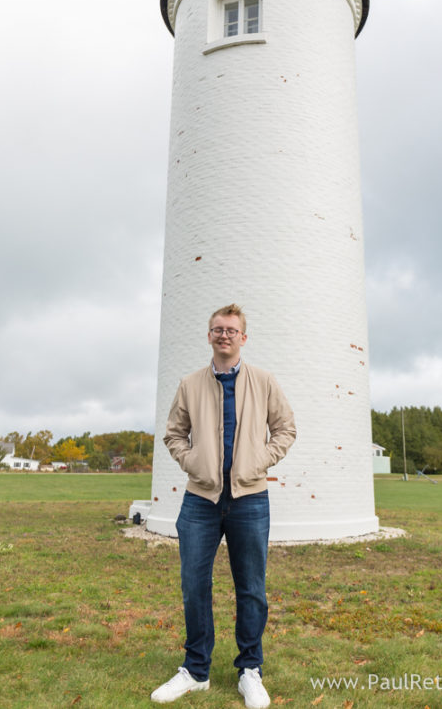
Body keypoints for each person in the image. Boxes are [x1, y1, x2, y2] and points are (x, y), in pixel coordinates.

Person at [151, 304, 296, 709]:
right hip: (200, 499)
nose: (224, 335)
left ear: (243, 337)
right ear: (210, 335)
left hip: (250, 498)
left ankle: (250, 670)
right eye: (217, 329)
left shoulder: (264, 381)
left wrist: (260, 460)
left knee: (251, 589)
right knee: (194, 586)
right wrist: (193, 461)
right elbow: (174, 434)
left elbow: (286, 428)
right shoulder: (190, 383)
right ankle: (195, 670)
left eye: (232, 330)